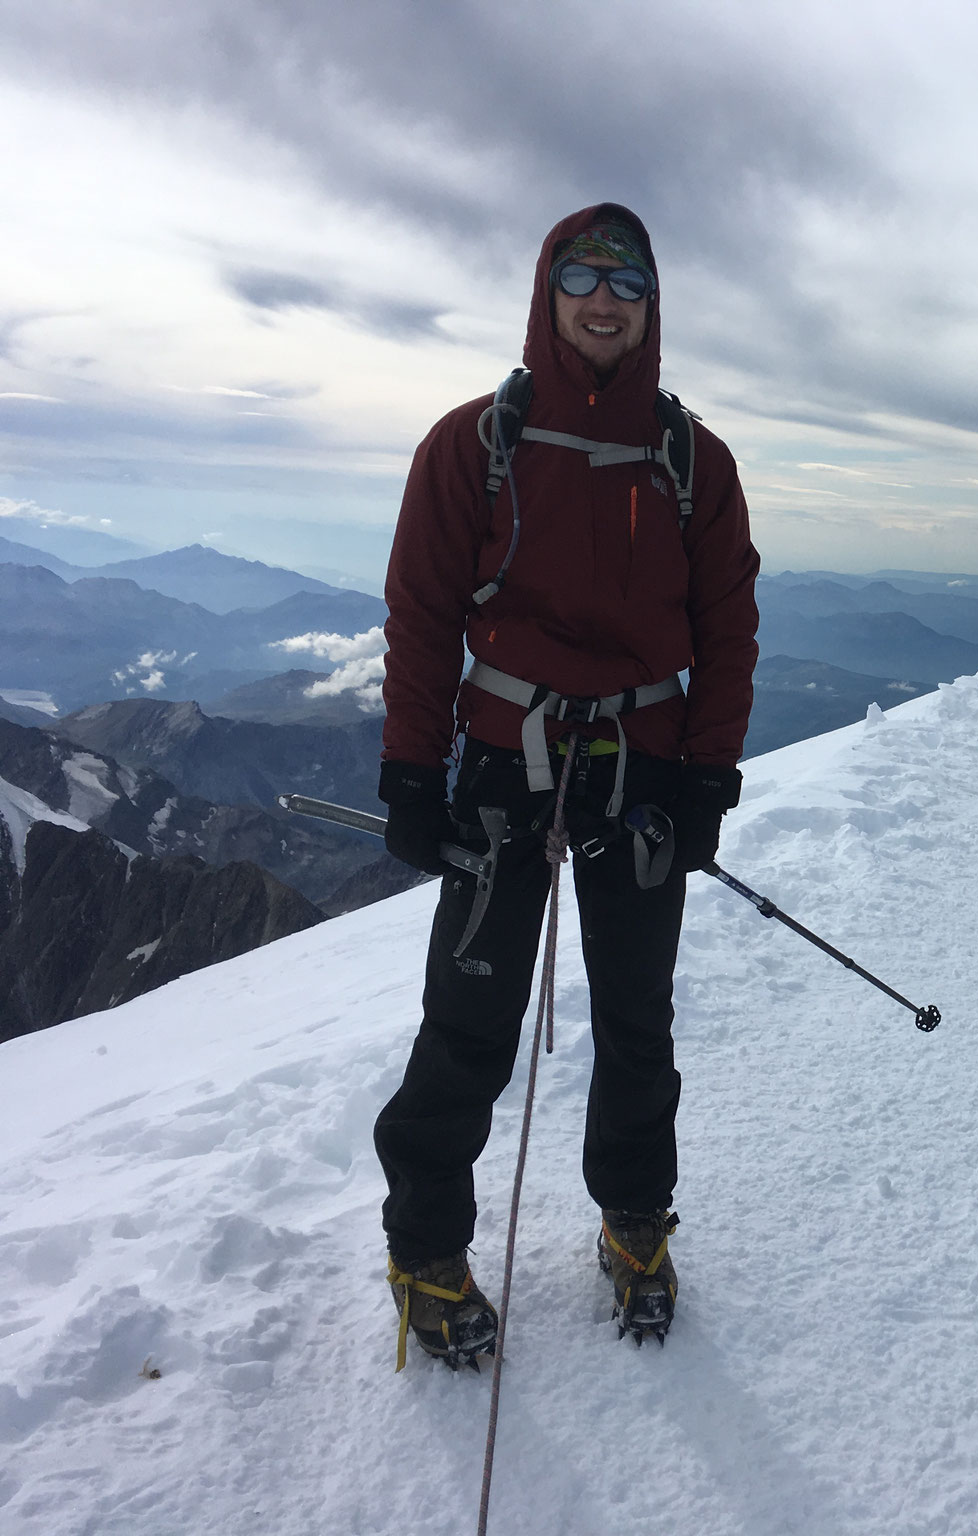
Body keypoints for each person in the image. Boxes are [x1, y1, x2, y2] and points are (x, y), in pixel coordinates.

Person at [371, 203, 759, 1368]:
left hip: (641, 765)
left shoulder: (692, 460)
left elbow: (728, 629)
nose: (604, 298)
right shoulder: (472, 444)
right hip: (504, 760)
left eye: (626, 281)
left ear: (649, 306)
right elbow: (423, 613)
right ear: (547, 294)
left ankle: (634, 1219)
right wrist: (410, 768)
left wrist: (707, 780)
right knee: (472, 1018)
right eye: (583, 276)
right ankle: (425, 1245)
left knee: (636, 1012)